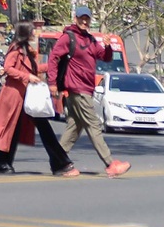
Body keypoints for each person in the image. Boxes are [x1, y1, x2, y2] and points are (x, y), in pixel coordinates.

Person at [0, 21, 78, 177]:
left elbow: (34, 69)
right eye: (32, 31)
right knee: (13, 131)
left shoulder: (26, 50)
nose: (35, 34)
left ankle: (59, 163)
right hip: (14, 96)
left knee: (24, 130)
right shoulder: (16, 50)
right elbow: (9, 68)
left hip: (26, 96)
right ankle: (60, 163)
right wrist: (28, 76)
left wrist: (54, 65)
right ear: (25, 33)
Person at [54, 11, 131, 178]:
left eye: (86, 18)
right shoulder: (68, 37)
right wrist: (53, 83)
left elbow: (104, 57)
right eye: (81, 18)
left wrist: (108, 45)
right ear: (75, 19)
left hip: (86, 89)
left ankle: (57, 160)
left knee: (75, 126)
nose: (84, 21)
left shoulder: (89, 40)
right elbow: (54, 57)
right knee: (93, 125)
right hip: (77, 89)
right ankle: (110, 163)